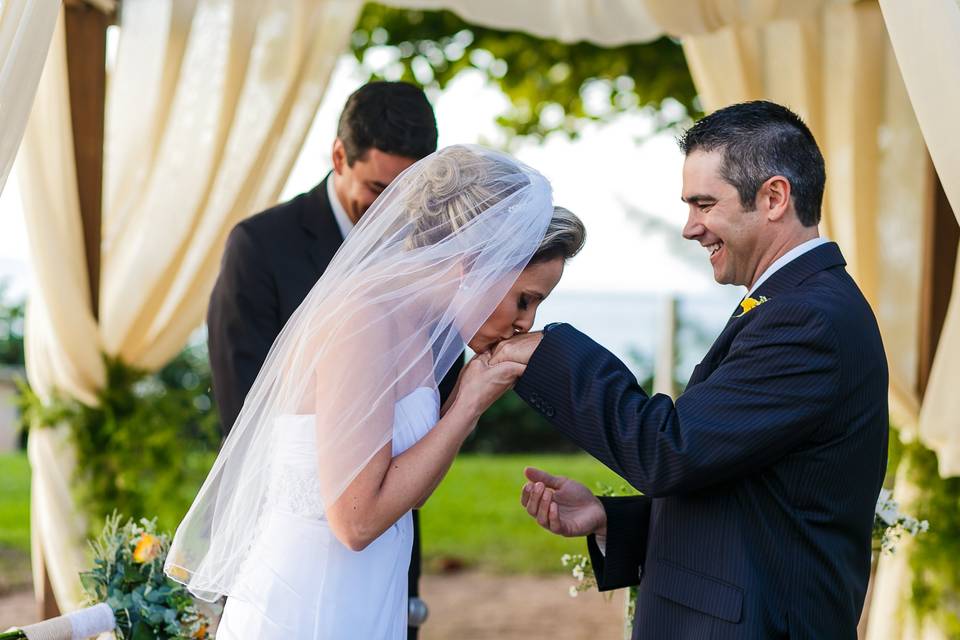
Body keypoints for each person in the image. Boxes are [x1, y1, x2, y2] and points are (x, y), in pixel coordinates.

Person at [496, 101, 888, 639]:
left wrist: (542, 354)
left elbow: (672, 450)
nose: (689, 227)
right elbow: (746, 492)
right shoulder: (791, 301)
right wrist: (612, 521)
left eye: (704, 204)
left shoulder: (807, 319)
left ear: (774, 197)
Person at [167, 145, 587, 639]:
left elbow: (411, 491)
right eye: (525, 298)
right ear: (475, 261)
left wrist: (467, 401)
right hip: (312, 602)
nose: (526, 322)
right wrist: (469, 401)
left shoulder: (418, 326)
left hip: (366, 591)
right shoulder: (362, 320)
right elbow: (357, 522)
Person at [206, 81, 452, 635]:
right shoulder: (261, 247)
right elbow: (244, 410)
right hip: (299, 550)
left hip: (388, 543)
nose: (391, 210)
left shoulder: (428, 257)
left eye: (405, 193)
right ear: (340, 156)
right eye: (377, 187)